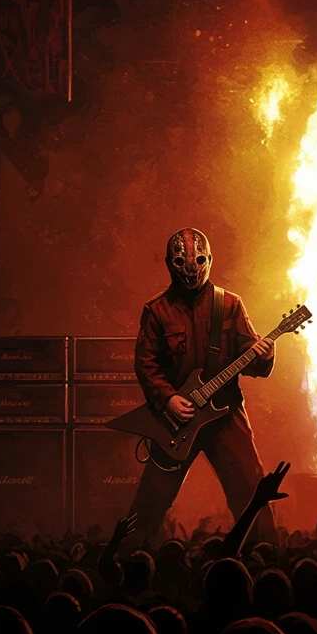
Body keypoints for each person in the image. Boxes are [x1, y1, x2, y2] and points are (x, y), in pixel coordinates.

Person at [130, 228, 277, 545]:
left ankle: (266, 555)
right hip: (176, 420)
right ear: (169, 263)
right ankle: (127, 558)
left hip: (225, 415)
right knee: (151, 499)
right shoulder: (156, 311)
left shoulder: (230, 304)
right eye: (181, 262)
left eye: (199, 260)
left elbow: (252, 361)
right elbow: (146, 364)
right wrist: (168, 400)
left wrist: (265, 355)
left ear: (210, 259)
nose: (191, 269)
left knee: (250, 488)